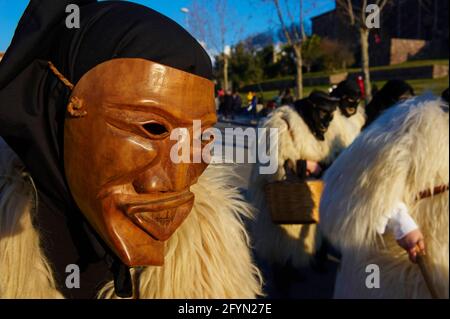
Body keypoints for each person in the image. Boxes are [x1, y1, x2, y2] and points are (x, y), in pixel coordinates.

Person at [0, 0, 262, 299]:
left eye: (200, 138)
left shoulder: (210, 252)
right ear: (63, 108)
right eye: (153, 128)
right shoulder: (8, 233)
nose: (173, 184)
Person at [320, 93, 449, 298]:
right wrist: (402, 224)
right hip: (397, 268)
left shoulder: (356, 119)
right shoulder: (415, 123)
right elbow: (353, 184)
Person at [248, 91, 341, 294]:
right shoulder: (279, 124)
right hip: (277, 195)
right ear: (312, 109)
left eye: (330, 114)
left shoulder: (317, 126)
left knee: (295, 241)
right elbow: (268, 166)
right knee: (279, 241)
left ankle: (291, 268)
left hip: (303, 194)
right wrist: (303, 166)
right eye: (324, 113)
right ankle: (280, 279)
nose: (327, 119)